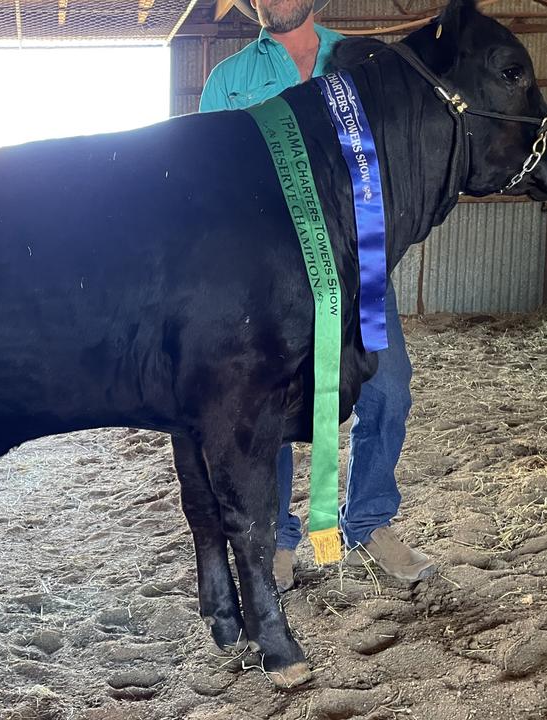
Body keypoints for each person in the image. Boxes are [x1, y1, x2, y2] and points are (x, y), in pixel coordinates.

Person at [198, 0, 437, 591]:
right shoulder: (228, 80)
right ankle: (278, 538)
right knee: (267, 406)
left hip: (359, 268)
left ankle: (368, 520)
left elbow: (394, 158)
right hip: (268, 280)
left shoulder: (363, 65)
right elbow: (208, 182)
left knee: (390, 388)